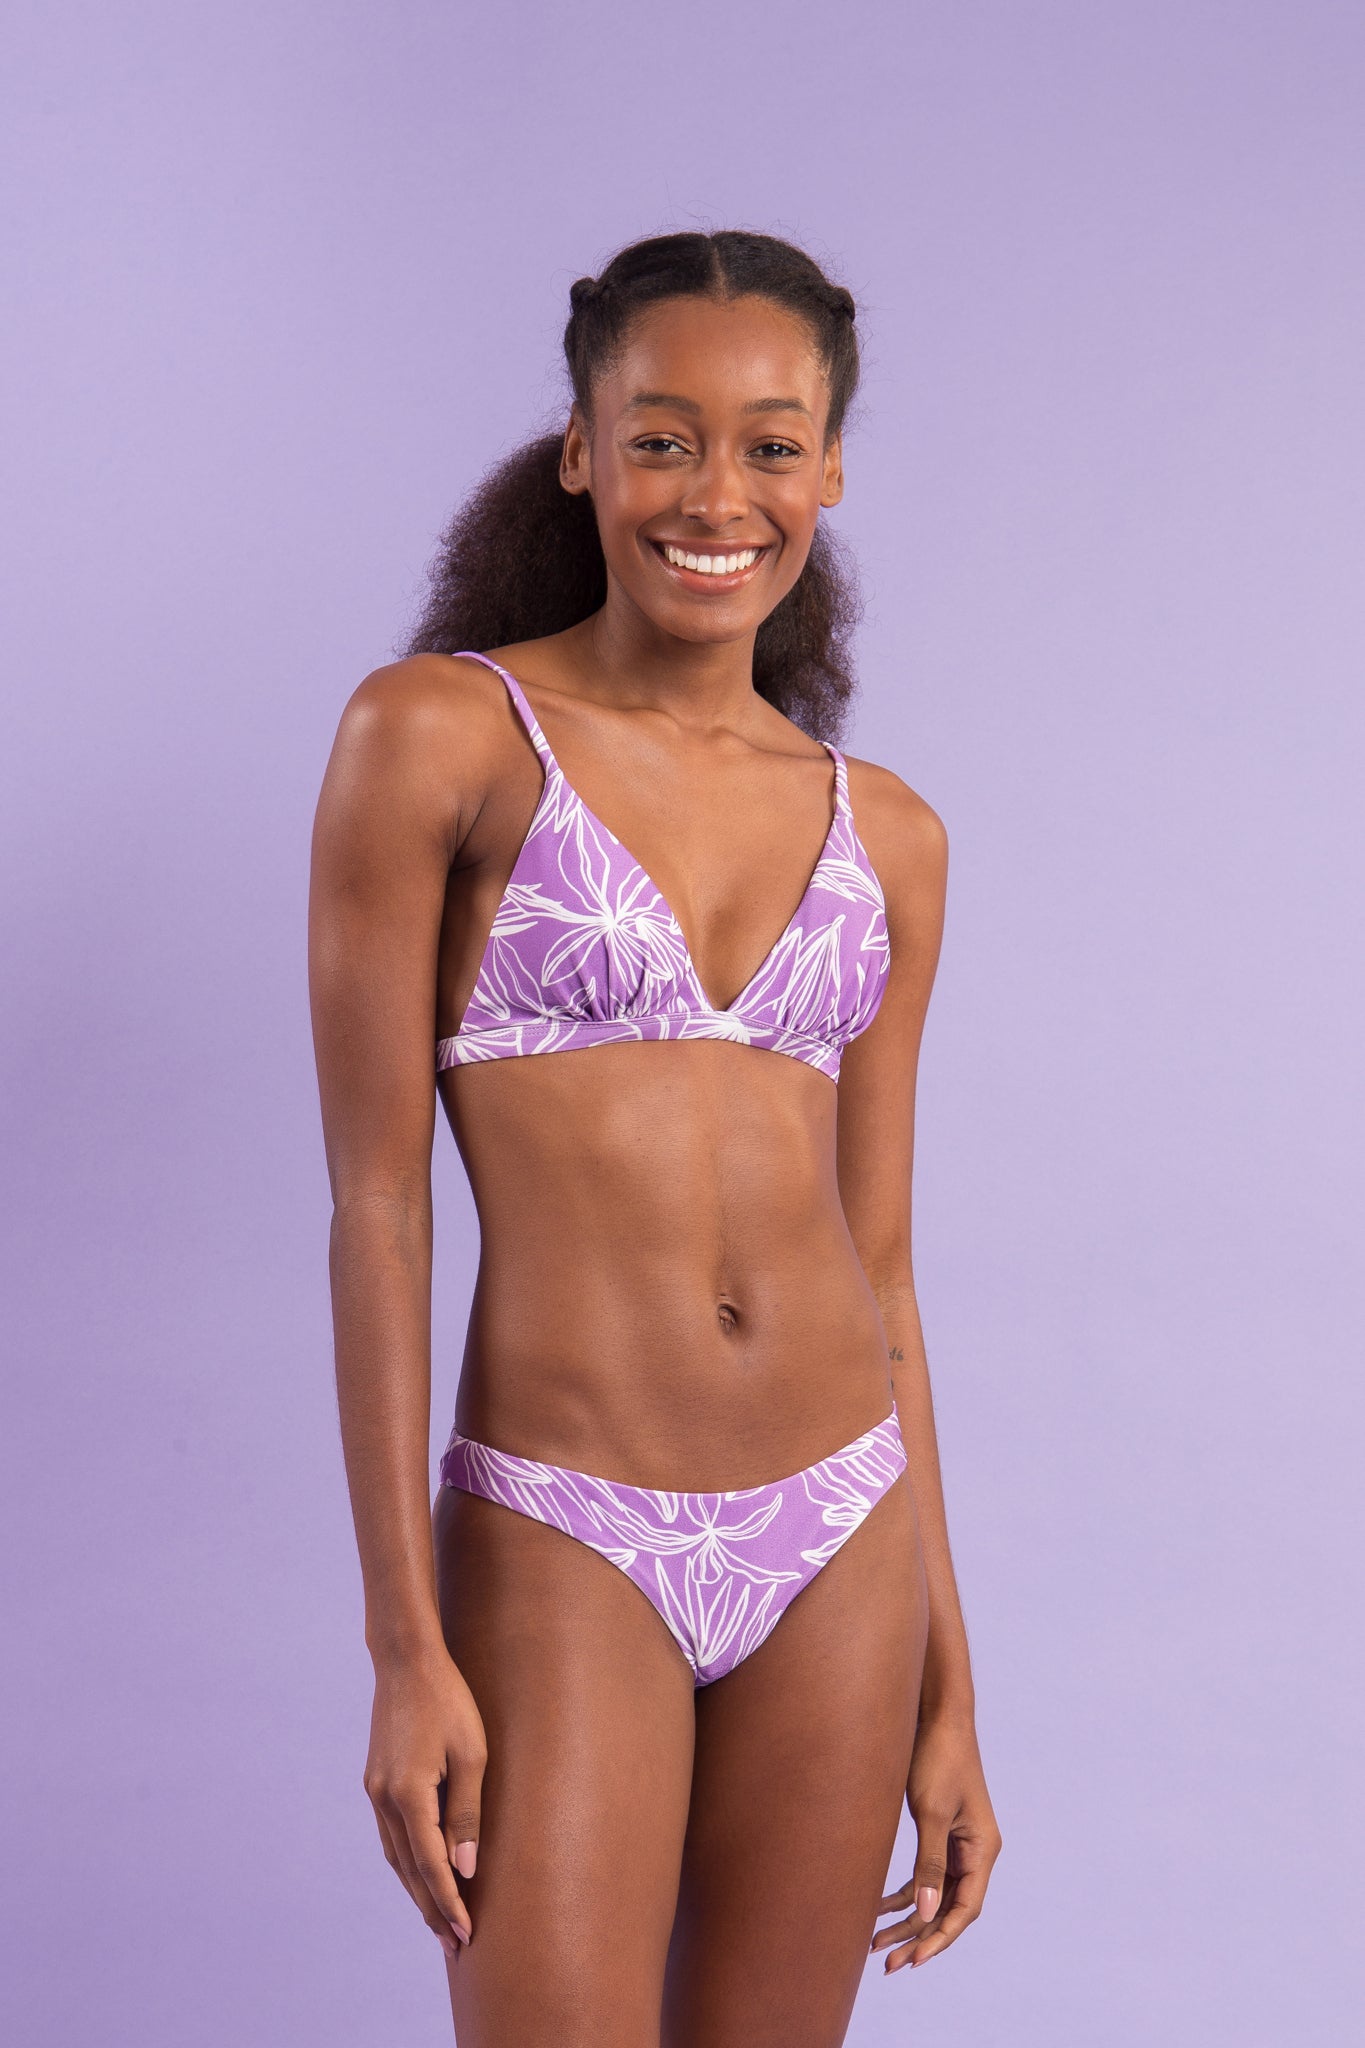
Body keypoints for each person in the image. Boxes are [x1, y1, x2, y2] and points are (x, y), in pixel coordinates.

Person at [308, 228, 1001, 2046]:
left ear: (827, 470)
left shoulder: (889, 832)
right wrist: (402, 1643)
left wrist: (952, 1688)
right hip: (564, 1520)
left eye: (770, 445)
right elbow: (377, 1207)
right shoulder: (441, 735)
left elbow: (884, 1272)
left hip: (840, 1521)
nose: (716, 495)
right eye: (662, 438)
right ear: (581, 451)